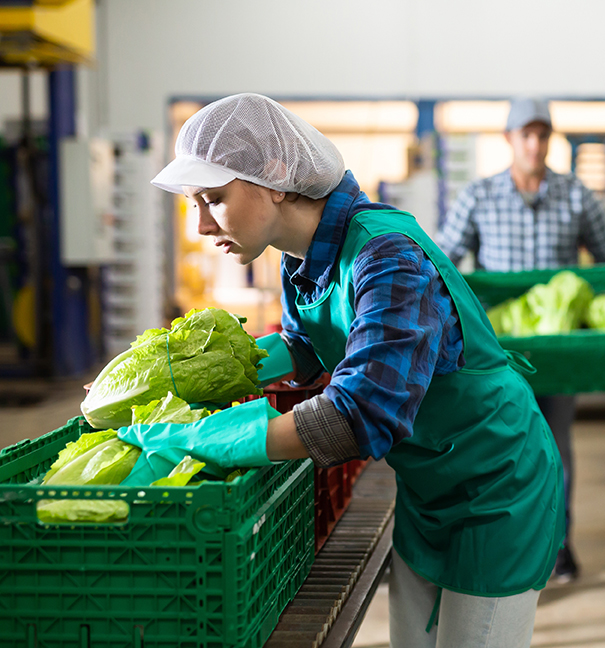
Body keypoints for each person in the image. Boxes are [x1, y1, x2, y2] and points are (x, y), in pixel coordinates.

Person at [119, 93, 566, 648]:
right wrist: (211, 374)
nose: (202, 226)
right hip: (429, 483)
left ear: (276, 179)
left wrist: (221, 441)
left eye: (214, 199)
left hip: (497, 479)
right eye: (194, 204)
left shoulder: (387, 257)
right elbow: (308, 344)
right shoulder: (298, 254)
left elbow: (360, 415)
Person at [437, 97, 605, 584]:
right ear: (508, 139)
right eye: (524, 134)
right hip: (501, 349)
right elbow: (445, 257)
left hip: (560, 352)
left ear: (549, 140)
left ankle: (558, 547)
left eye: (541, 134)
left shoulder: (576, 195)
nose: (534, 143)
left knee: (555, 446)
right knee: (500, 448)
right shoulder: (479, 196)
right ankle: (503, 547)